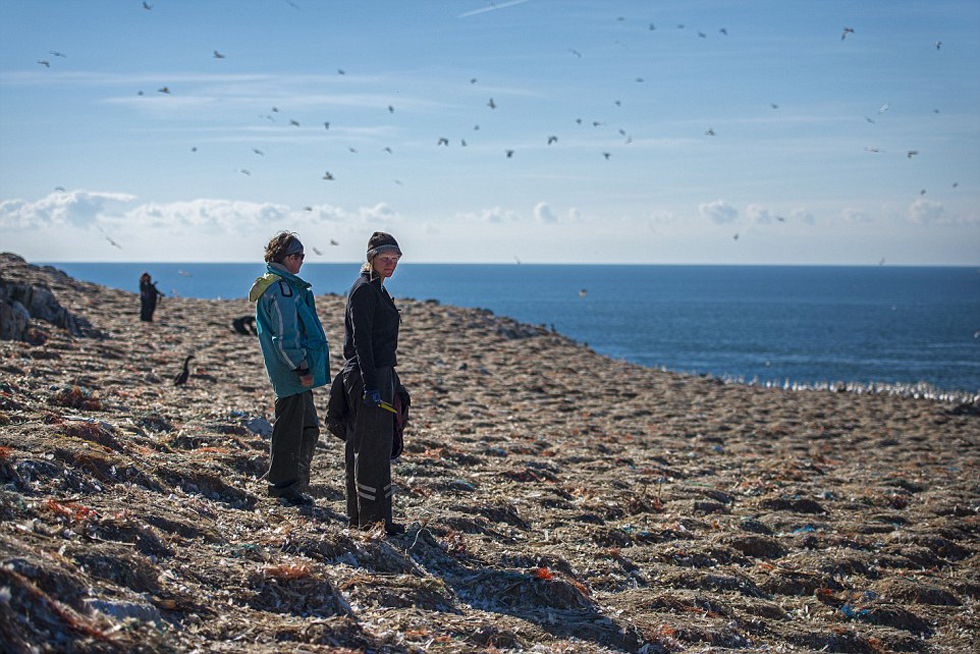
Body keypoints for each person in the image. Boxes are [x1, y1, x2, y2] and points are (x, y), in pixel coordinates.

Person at [249, 232, 329, 505]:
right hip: (292, 372)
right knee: (291, 428)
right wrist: (302, 366)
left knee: (306, 426)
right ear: (289, 258)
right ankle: (282, 486)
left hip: (291, 371)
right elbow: (285, 338)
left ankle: (294, 484)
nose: (303, 262)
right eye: (301, 257)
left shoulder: (279, 285)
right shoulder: (282, 290)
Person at [341, 231, 406, 534]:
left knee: (380, 448)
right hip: (366, 376)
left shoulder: (377, 288)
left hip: (381, 373)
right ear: (371, 259)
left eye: (395, 259)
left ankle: (382, 519)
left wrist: (392, 380)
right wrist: (371, 385)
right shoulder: (364, 290)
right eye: (385, 258)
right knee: (367, 450)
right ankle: (367, 521)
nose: (390, 263)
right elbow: (361, 341)